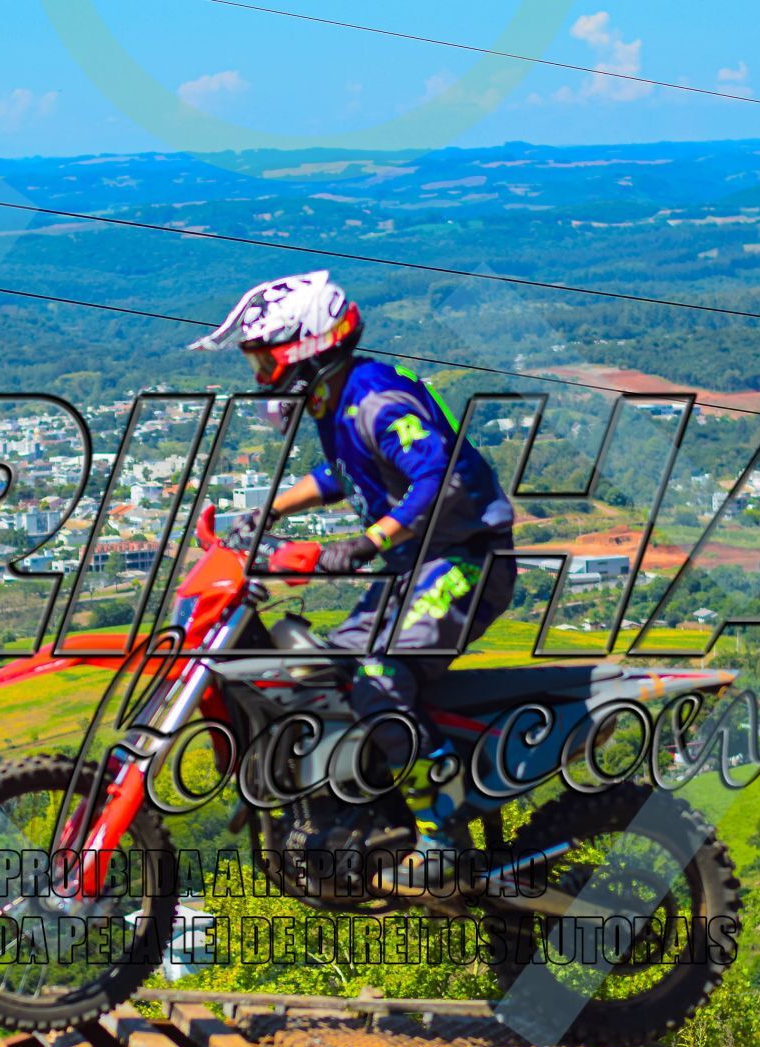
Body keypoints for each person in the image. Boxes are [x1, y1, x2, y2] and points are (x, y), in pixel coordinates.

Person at [190, 270, 516, 840]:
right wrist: (270, 511)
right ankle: (366, 814)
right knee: (329, 673)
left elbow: (437, 478)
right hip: (413, 566)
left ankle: (445, 831)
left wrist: (370, 541)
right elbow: (340, 472)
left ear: (306, 348)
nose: (263, 376)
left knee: (377, 676)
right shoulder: (340, 400)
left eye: (265, 361)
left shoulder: (377, 402)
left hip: (465, 560)